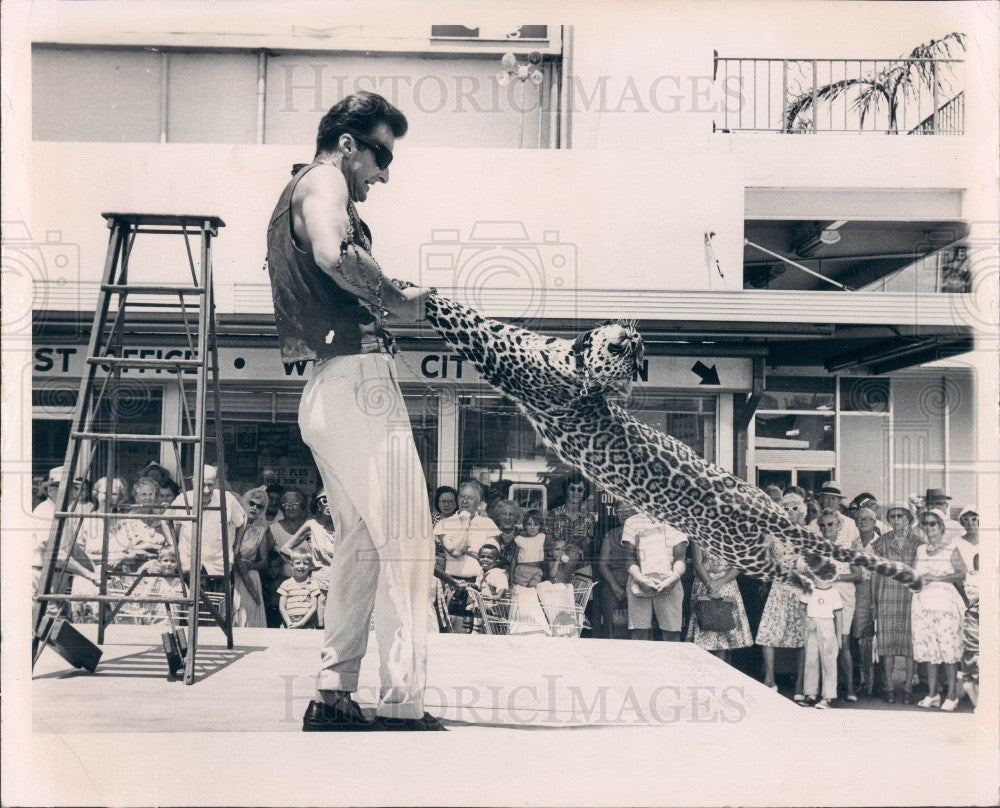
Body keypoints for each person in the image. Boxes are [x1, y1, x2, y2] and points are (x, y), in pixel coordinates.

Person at [267, 91, 439, 731]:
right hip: (356, 381)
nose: (383, 174)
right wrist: (395, 295)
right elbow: (333, 254)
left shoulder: (300, 187)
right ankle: (402, 701)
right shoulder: (321, 179)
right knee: (408, 540)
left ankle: (334, 693)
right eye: (380, 156)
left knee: (364, 547)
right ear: (347, 144)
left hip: (328, 386)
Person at [911, 508, 966, 711]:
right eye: (925, 524)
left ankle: (951, 695)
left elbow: (962, 574)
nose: (929, 528)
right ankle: (933, 694)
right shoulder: (920, 550)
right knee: (929, 649)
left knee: (948, 650)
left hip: (945, 604)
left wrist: (938, 578)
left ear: (941, 527)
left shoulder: (951, 549)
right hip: (923, 604)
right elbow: (915, 574)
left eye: (933, 523)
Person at [756, 492, 807, 699]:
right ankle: (769, 680)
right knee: (768, 633)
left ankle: (800, 684)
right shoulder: (772, 534)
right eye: (785, 508)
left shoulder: (808, 533)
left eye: (795, 508)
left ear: (802, 511)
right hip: (778, 587)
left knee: (803, 637)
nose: (790, 512)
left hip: (800, 588)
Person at [870, 503, 921, 704]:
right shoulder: (881, 543)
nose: (897, 519)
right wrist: (874, 601)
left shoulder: (918, 542)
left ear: (908, 518)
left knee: (910, 644)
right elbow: (875, 573)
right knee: (887, 644)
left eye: (901, 516)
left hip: (909, 597)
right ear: (888, 520)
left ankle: (908, 687)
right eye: (893, 516)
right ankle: (889, 687)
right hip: (886, 596)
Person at [172, 465, 246, 593]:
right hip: (188, 565)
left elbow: (242, 520)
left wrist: (236, 548)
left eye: (210, 485)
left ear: (216, 483)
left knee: (218, 609)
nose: (206, 490)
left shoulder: (227, 499)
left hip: (218, 567)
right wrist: (174, 547)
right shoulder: (183, 499)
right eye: (202, 485)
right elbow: (166, 521)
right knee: (188, 609)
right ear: (194, 483)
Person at [620, 508, 687, 641]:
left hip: (670, 584)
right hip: (639, 582)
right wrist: (639, 579)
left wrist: (673, 578)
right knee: (639, 634)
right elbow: (629, 558)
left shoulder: (678, 521)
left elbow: (680, 558)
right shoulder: (632, 522)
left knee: (672, 634)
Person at [815, 508, 861, 702]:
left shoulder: (848, 547)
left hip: (844, 597)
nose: (827, 528)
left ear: (839, 526)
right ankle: (826, 689)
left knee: (843, 643)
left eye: (831, 524)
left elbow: (858, 574)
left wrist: (836, 577)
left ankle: (850, 688)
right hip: (824, 597)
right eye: (823, 525)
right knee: (824, 643)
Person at [686, 539, 753, 662]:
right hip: (704, 582)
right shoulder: (698, 536)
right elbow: (697, 564)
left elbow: (739, 564)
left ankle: (722, 668)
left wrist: (720, 582)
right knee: (705, 626)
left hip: (727, 585)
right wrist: (710, 584)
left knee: (724, 629)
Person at [284, 489, 339, 627]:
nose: (328, 505)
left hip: (340, 579)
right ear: (318, 505)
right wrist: (304, 561)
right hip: (320, 581)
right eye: (324, 501)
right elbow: (285, 549)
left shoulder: (341, 527)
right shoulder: (312, 525)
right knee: (320, 621)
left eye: (332, 501)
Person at [798, 560, 844, 709]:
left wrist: (838, 638)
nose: (819, 579)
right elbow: (801, 608)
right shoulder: (808, 589)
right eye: (817, 575)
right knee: (811, 660)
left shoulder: (834, 592)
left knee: (829, 661)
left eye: (824, 576)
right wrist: (807, 620)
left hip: (827, 626)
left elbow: (839, 616)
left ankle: (828, 696)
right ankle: (810, 694)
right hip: (812, 627)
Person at [436, 480, 500, 583]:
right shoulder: (444, 524)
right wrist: (465, 525)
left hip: (479, 583)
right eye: (462, 496)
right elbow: (456, 552)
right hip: (452, 582)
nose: (464, 501)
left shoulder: (488, 524)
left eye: (470, 498)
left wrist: (467, 550)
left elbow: (492, 556)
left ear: (478, 503)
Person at [231, 487, 272, 628]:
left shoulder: (261, 530)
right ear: (244, 503)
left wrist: (250, 565)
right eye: (252, 504)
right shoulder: (231, 525)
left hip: (249, 577)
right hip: (230, 576)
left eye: (259, 506)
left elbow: (264, 562)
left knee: (247, 619)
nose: (255, 508)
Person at [851, 506, 880, 696]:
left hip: (877, 590)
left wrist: (876, 599)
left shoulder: (880, 543)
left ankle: (876, 682)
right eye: (860, 519)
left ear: (874, 522)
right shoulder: (853, 544)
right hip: (858, 591)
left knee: (878, 636)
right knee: (858, 635)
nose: (863, 522)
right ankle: (862, 679)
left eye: (868, 519)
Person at [546, 475, 598, 575]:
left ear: (584, 493)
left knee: (581, 591)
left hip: (582, 568)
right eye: (572, 489)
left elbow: (589, 551)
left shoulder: (589, 518)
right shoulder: (553, 514)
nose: (576, 493)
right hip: (558, 568)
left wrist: (583, 539)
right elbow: (547, 545)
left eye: (580, 490)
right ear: (566, 490)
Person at [597, 500, 633, 639]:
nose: (623, 514)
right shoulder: (611, 535)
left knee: (635, 627)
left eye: (627, 510)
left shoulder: (641, 534)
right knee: (610, 627)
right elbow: (602, 564)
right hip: (613, 582)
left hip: (635, 583)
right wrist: (615, 587)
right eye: (619, 511)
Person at [279, 550, 322, 629]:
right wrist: (289, 623)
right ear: (292, 565)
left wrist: (301, 623)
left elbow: (313, 607)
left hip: (306, 624)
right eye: (298, 563)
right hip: (288, 624)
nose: (301, 566)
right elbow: (282, 606)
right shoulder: (285, 584)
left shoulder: (313, 584)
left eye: (305, 563)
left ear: (310, 566)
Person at [513, 508, 547, 588]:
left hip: (537, 570)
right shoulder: (519, 539)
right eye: (529, 524)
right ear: (524, 525)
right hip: (522, 571)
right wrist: (511, 576)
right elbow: (514, 559)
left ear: (540, 526)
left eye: (536, 524)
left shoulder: (542, 537)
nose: (532, 527)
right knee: (520, 591)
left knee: (534, 592)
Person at [488, 499, 522, 576]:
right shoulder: (492, 534)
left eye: (511, 514)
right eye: (504, 514)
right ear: (498, 516)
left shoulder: (522, 535)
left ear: (516, 517)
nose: (507, 517)